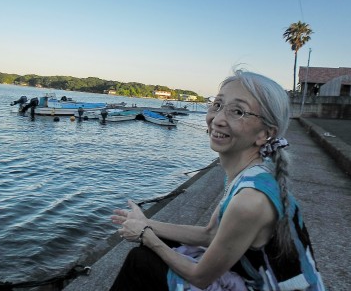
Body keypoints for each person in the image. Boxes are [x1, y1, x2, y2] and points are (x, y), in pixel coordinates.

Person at [110, 69, 325, 291]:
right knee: (160, 245)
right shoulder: (249, 173)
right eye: (218, 105)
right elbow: (211, 234)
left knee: (141, 261)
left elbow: (200, 277)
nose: (218, 119)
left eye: (238, 112)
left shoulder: (251, 201)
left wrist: (145, 235)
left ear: (264, 134)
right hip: (257, 277)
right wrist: (146, 223)